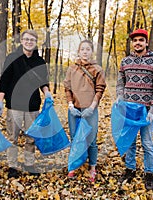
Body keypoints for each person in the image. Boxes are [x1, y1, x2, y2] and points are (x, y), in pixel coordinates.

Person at [0, 29, 52, 178]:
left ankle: (29, 164)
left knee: (31, 137)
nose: (29, 42)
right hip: (14, 105)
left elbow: (43, 81)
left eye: (32, 40)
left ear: (35, 43)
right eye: (26, 39)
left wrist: (47, 93)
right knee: (12, 137)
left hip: (33, 105)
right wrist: (0, 101)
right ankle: (12, 165)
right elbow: (4, 81)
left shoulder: (39, 61)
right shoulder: (12, 58)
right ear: (21, 41)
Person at [116, 29, 153, 190]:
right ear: (132, 43)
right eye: (135, 40)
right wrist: (119, 97)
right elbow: (120, 83)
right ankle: (130, 169)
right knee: (130, 142)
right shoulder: (125, 61)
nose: (137, 42)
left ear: (146, 42)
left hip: (146, 111)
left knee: (147, 143)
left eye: (141, 40)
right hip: (129, 110)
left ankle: (150, 172)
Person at [63, 40, 106, 182]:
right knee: (75, 138)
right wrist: (70, 105)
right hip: (74, 109)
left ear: (91, 51)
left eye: (88, 49)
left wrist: (92, 107)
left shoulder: (97, 69)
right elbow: (67, 88)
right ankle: (74, 165)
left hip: (90, 110)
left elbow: (100, 89)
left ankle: (92, 167)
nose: (85, 51)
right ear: (79, 51)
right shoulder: (71, 69)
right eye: (82, 49)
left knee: (91, 140)